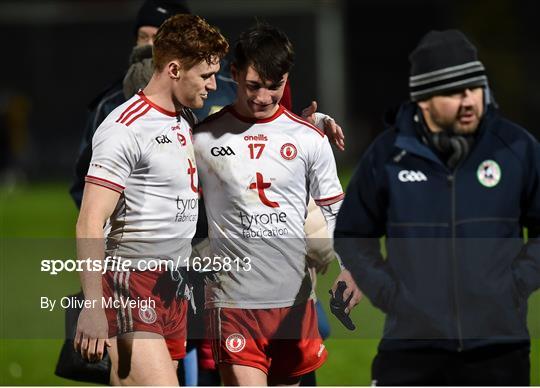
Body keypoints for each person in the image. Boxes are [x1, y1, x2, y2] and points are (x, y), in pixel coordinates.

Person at [334, 29, 540, 385]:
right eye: (454, 92)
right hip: (411, 350)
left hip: (499, 351)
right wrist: (392, 295)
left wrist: (514, 285)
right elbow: (353, 234)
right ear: (424, 100)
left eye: (474, 88)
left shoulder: (517, 148)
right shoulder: (387, 155)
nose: (469, 100)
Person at [193, 23, 361, 386]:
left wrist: (351, 269)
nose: (265, 97)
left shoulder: (309, 139)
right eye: (254, 85)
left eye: (275, 86)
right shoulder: (202, 138)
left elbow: (334, 209)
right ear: (234, 74)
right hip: (231, 300)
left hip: (294, 301)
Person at [74, 14, 228, 386]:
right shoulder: (125, 128)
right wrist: (93, 305)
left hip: (172, 284)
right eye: (205, 75)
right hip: (130, 284)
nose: (213, 85)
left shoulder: (181, 118)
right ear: (174, 69)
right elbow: (90, 220)